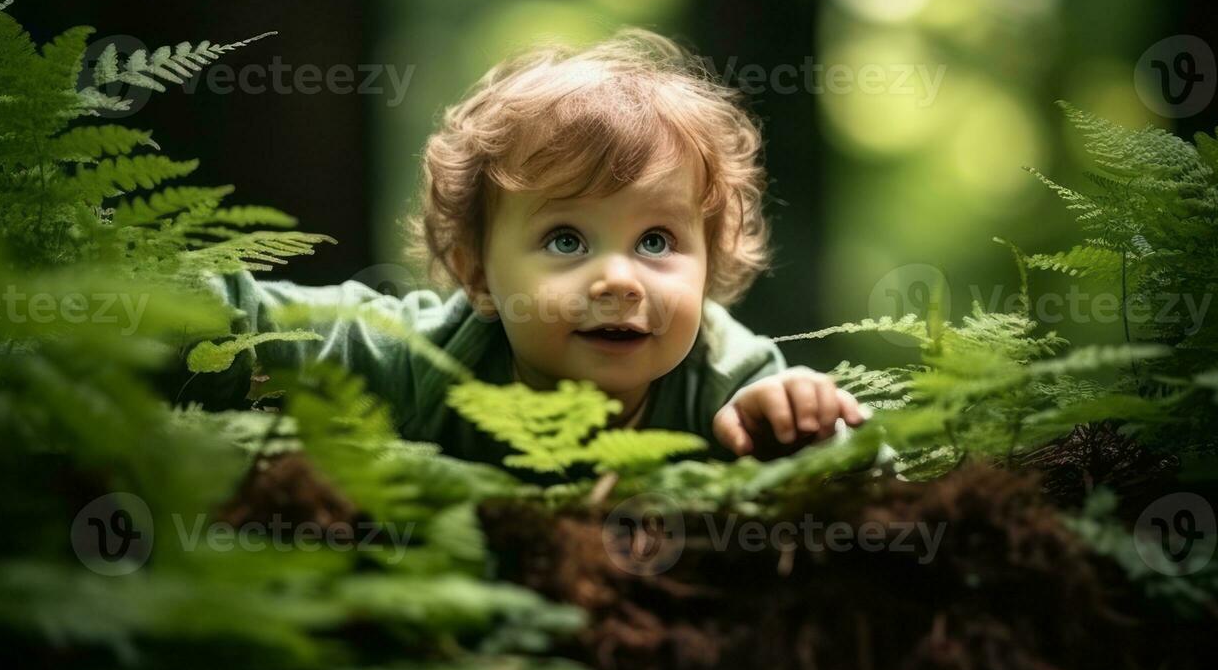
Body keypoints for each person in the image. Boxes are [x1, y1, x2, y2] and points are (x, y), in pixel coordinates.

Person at [196, 28, 868, 478]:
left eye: (656, 242)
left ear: (709, 263)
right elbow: (241, 322)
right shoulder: (423, 361)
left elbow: (874, 483)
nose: (618, 279)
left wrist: (802, 431)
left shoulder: (729, 382)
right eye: (565, 240)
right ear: (476, 272)